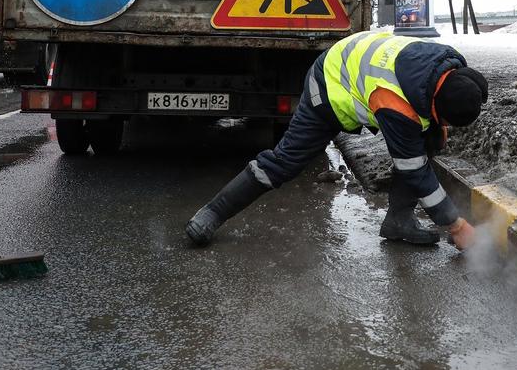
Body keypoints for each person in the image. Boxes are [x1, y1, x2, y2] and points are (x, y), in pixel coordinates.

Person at [185, 31, 488, 250]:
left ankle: (399, 222)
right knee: (285, 162)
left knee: (429, 139)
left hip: (360, 69)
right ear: (437, 103)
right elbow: (412, 169)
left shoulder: (448, 64)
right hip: (329, 85)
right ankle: (212, 212)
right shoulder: (394, 101)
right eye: (446, 119)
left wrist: (438, 126)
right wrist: (456, 225)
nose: (447, 126)